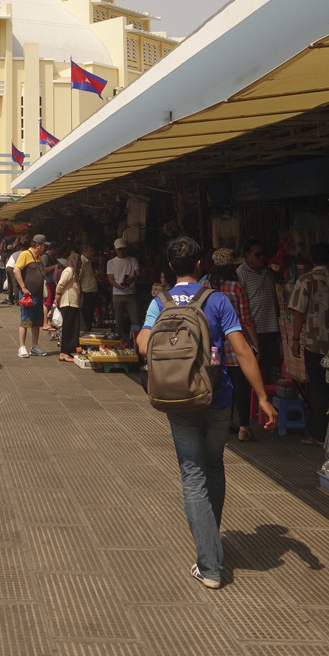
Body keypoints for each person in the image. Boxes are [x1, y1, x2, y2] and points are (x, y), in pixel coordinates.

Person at [137, 237, 276, 589]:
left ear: (170, 267)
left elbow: (142, 344)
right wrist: (261, 397)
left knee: (192, 474)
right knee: (214, 466)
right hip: (218, 397)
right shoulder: (217, 299)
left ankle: (210, 564)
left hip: (177, 399)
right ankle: (211, 545)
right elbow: (243, 351)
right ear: (201, 265)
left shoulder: (160, 302)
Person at [289, 241, 329, 447]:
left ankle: (320, 436)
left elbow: (299, 314)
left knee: (318, 389)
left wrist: (295, 340)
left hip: (316, 343)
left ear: (311, 258)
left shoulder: (305, 280)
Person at [210, 249, 259, 442]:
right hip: (236, 348)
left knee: (219, 384)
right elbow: (247, 320)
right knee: (240, 387)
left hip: (213, 347)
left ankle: (224, 422)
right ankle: (244, 427)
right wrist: (255, 344)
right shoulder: (236, 288)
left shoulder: (204, 285)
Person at [237, 238, 282, 385]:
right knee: (257, 364)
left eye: (263, 254)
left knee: (269, 364)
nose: (262, 257)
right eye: (257, 254)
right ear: (247, 255)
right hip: (254, 328)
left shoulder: (268, 272)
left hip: (271, 327)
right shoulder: (241, 273)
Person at [14, 234, 48, 358]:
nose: (45, 248)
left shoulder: (38, 258)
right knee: (26, 320)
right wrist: (23, 287)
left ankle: (34, 346)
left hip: (38, 295)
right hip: (28, 295)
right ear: (37, 245)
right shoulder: (25, 254)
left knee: (36, 322)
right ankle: (22, 347)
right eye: (44, 246)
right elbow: (16, 270)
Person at [106, 238, 139, 343]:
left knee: (136, 321)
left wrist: (133, 277)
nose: (121, 251)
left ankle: (136, 343)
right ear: (115, 249)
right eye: (119, 249)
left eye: (123, 249)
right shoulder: (111, 262)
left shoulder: (132, 260)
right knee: (118, 322)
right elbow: (110, 278)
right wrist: (118, 286)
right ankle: (119, 343)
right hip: (117, 294)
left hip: (131, 294)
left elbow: (138, 273)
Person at [54, 255, 82, 362]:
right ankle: (64, 353)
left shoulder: (74, 272)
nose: (81, 264)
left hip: (73, 303)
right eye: (80, 261)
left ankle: (67, 351)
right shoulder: (69, 271)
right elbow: (61, 284)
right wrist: (57, 295)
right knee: (68, 328)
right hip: (68, 303)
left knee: (72, 329)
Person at [77, 244, 99, 332]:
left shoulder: (88, 261)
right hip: (86, 292)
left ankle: (87, 331)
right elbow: (78, 278)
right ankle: (84, 333)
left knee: (89, 315)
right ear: (84, 252)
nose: (92, 253)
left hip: (90, 292)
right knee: (85, 315)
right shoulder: (82, 261)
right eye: (90, 251)